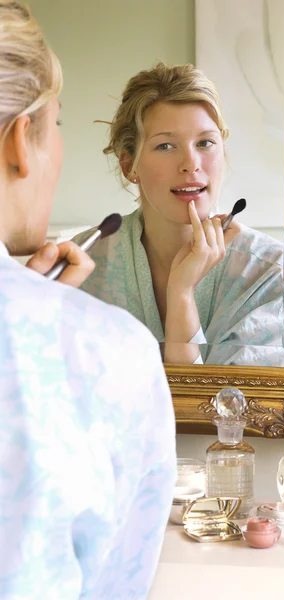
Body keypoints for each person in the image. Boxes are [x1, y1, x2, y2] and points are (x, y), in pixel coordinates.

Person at [0, 2, 176, 598]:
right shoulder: (109, 351)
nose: (190, 164)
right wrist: (48, 325)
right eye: (60, 124)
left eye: (206, 142)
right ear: (22, 140)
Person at [74, 63, 284, 367]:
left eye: (205, 143)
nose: (190, 164)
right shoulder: (84, 264)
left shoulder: (283, 274)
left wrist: (181, 294)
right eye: (165, 145)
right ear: (129, 166)